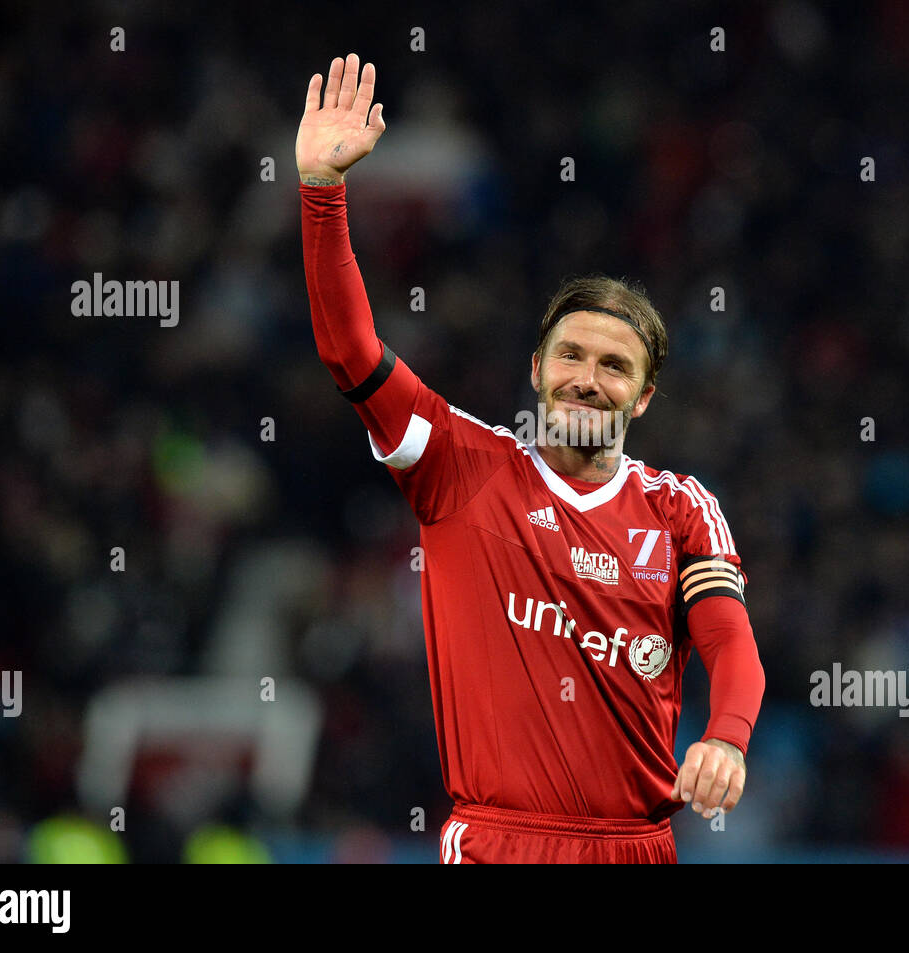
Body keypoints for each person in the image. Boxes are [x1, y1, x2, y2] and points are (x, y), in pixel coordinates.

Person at [297, 54, 765, 863]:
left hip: (637, 848)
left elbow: (730, 642)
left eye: (615, 366)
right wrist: (321, 194)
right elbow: (350, 350)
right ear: (538, 370)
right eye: (571, 355)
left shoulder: (682, 508)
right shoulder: (460, 466)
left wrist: (725, 738)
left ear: (645, 397)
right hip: (496, 843)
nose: (588, 379)